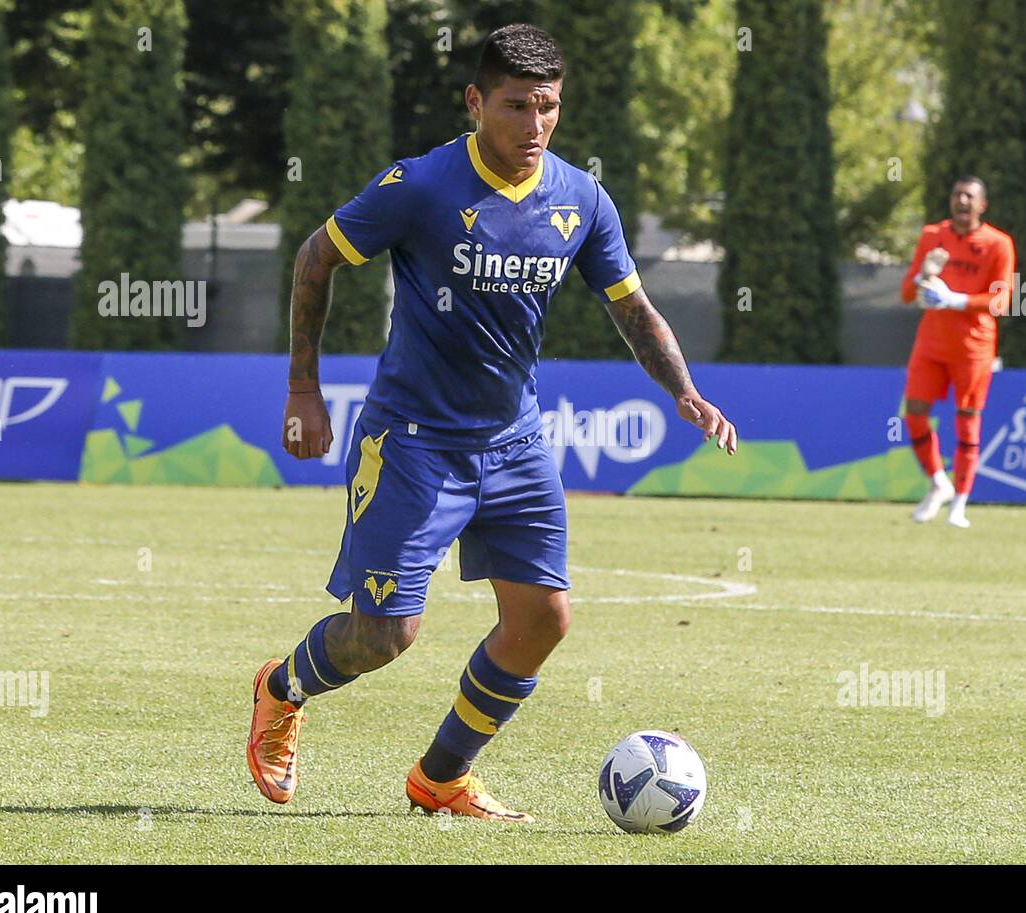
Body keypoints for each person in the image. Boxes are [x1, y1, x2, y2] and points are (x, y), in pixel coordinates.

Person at [245, 24, 737, 822]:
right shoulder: (420, 187)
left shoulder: (581, 198)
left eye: (548, 107)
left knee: (543, 618)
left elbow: (633, 309)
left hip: (514, 443)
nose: (534, 125)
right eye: (516, 106)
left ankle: (441, 777)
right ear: (476, 103)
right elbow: (315, 257)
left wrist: (683, 390)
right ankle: (280, 688)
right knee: (384, 636)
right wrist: (303, 388)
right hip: (411, 442)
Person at [899, 176, 1016, 528]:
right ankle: (939, 483)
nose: (961, 200)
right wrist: (924, 277)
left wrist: (956, 300)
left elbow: (1001, 300)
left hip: (973, 347)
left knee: (967, 423)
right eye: (956, 194)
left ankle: (960, 504)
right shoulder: (932, 236)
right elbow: (907, 293)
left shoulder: (998, 244)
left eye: (969, 196)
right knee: (914, 413)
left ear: (982, 205)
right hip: (931, 342)